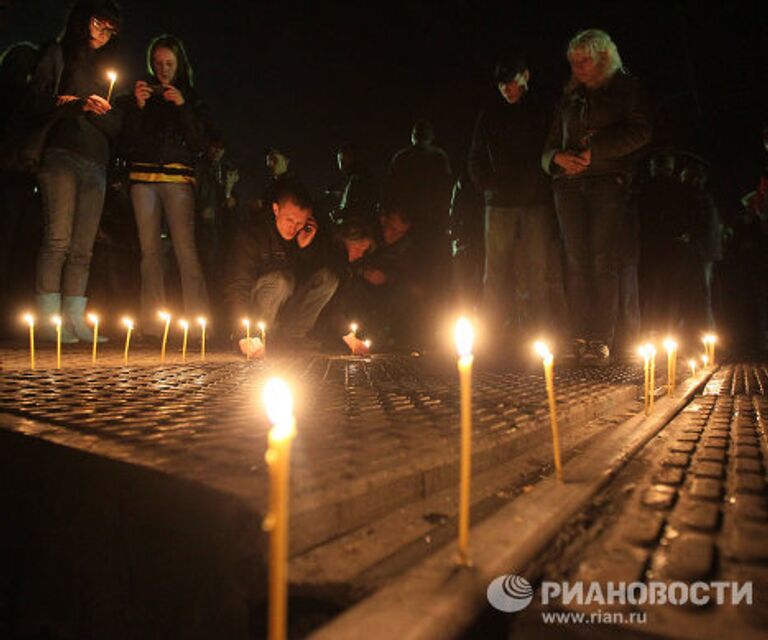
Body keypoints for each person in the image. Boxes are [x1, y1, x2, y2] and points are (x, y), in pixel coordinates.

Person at [542, 29, 651, 364]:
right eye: (573, 62)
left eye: (584, 61)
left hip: (607, 183)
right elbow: (548, 144)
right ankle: (577, 335)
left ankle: (600, 339)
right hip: (568, 186)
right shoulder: (570, 95)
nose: (578, 68)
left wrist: (598, 151)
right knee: (575, 262)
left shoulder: (626, 88)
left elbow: (642, 131)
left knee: (602, 261)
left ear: (604, 58)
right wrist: (554, 160)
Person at [26, 0, 123, 342]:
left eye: (111, 30)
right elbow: (36, 100)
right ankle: (49, 322)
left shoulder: (105, 69)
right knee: (58, 240)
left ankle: (75, 320)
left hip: (96, 162)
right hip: (61, 155)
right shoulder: (57, 53)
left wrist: (105, 113)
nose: (104, 34)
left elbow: (117, 128)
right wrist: (74, 105)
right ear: (84, 19)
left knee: (83, 249)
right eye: (100, 24)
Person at [121, 34, 211, 336]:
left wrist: (183, 106)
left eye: (169, 63)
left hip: (178, 178)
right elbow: (127, 140)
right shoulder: (142, 94)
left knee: (185, 249)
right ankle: (152, 322)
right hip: (142, 179)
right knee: (150, 252)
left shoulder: (191, 96)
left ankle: (198, 322)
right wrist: (138, 106)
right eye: (158, 63)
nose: (163, 69)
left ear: (179, 64)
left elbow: (201, 142)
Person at [469, 51, 559, 347]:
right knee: (494, 274)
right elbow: (476, 156)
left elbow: (552, 148)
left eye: (512, 81)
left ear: (526, 77)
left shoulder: (542, 110)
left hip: (536, 202)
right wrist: (487, 186)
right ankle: (492, 337)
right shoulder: (489, 114)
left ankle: (540, 337)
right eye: (502, 84)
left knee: (537, 272)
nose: (507, 88)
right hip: (499, 203)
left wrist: (545, 185)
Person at [224, 180, 338, 347]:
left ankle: (293, 336)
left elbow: (313, 285)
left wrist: (305, 248)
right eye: (289, 219)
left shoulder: (304, 238)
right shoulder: (252, 235)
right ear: (276, 209)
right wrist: (243, 334)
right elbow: (237, 285)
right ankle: (258, 337)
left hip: (285, 308)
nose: (293, 227)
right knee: (281, 281)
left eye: (300, 223)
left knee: (328, 278)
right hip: (256, 309)